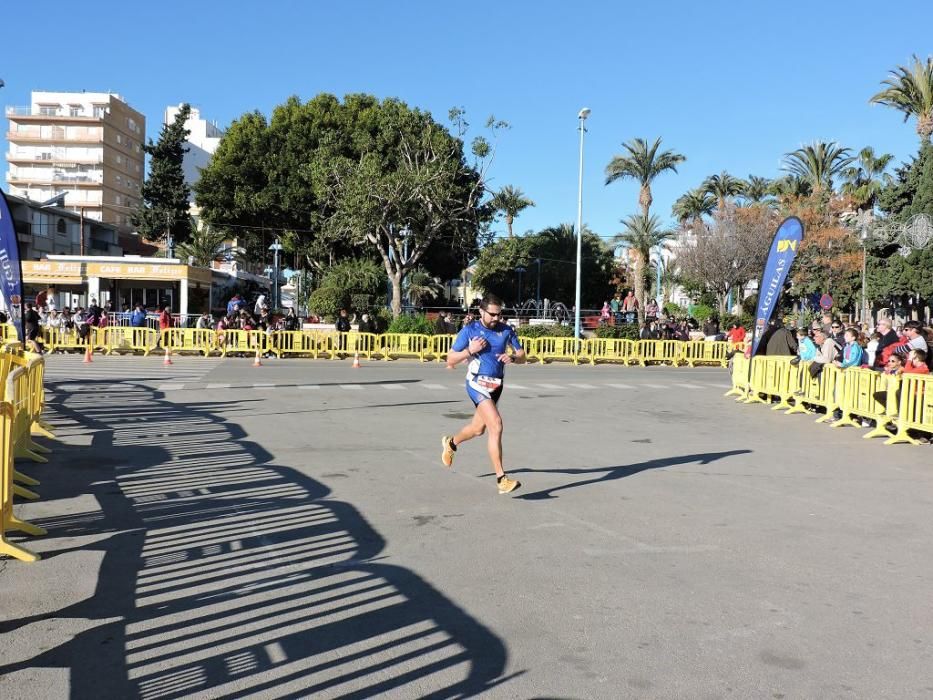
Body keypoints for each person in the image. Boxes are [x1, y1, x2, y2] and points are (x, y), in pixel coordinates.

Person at [441, 294, 525, 495]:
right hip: (476, 384)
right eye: (492, 314)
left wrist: (512, 357)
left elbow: (523, 356)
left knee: (478, 429)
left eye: (499, 314)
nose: (497, 318)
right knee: (495, 424)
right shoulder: (469, 331)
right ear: (481, 311)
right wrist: (469, 350)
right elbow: (450, 359)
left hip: (496, 386)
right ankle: (501, 479)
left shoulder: (506, 330)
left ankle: (451, 443)